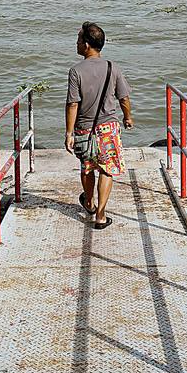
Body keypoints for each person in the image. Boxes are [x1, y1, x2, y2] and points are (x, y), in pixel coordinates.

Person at [64, 21, 133, 229]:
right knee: (107, 170)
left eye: (78, 39)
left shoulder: (75, 71)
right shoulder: (113, 67)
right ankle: (100, 216)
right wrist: (127, 117)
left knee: (87, 169)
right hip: (108, 129)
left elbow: (72, 104)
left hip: (84, 129)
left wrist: (69, 133)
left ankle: (89, 202)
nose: (76, 43)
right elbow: (124, 98)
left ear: (86, 45)